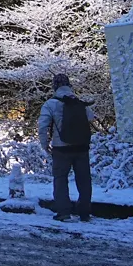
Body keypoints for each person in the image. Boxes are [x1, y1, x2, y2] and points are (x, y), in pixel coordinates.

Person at [38, 73, 93, 222]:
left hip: (61, 148)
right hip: (81, 147)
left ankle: (64, 212)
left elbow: (42, 127)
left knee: (60, 179)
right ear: (69, 85)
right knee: (84, 179)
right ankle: (84, 212)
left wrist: (45, 145)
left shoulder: (51, 104)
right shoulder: (79, 102)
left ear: (54, 86)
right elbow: (90, 117)